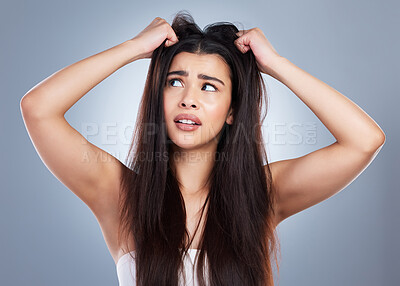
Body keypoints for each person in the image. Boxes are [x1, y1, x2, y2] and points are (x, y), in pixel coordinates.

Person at [20, 10, 385, 286]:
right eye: (175, 82)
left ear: (232, 112)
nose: (188, 99)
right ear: (156, 96)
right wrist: (133, 49)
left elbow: (365, 140)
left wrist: (275, 65)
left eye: (209, 87)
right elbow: (38, 109)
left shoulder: (262, 193)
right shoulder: (119, 193)